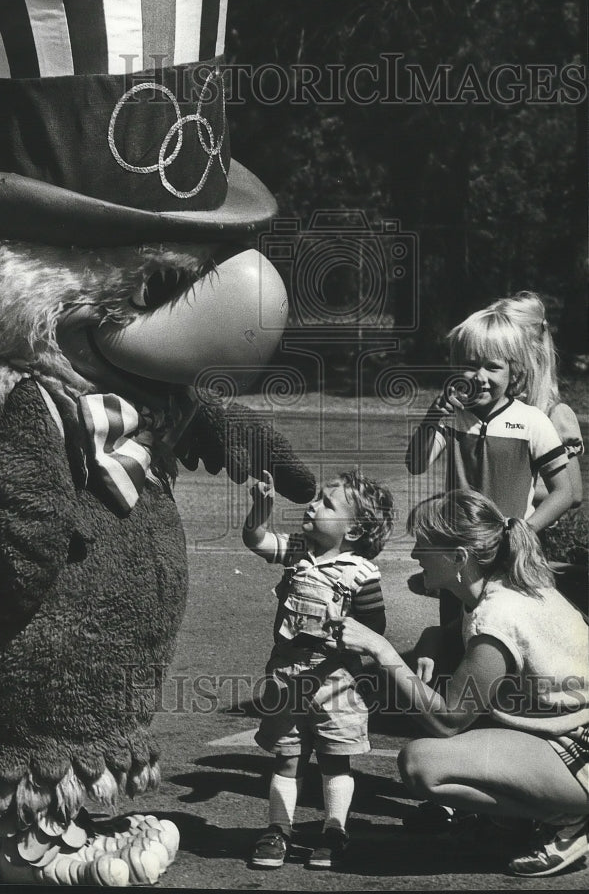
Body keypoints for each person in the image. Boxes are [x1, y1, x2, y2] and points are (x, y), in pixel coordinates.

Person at [338, 489, 589, 879]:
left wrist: (382, 652)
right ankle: (519, 818)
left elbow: (448, 720)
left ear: (458, 557)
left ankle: (567, 817)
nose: (414, 555)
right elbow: (470, 630)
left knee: (422, 763)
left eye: (423, 545)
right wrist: (433, 637)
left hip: (579, 755)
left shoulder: (497, 619)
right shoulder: (505, 583)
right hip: (568, 736)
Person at [242, 468, 393, 871]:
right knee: (286, 756)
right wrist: (260, 510)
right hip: (287, 675)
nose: (313, 504)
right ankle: (279, 829)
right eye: (318, 498)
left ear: (355, 530)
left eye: (327, 503)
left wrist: (342, 621)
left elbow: (375, 628)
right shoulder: (296, 551)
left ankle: (334, 830)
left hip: (336, 681)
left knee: (333, 758)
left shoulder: (362, 573)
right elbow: (255, 540)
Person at [405, 302, 574, 635]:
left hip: (510, 555)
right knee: (457, 629)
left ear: (515, 373)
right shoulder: (452, 419)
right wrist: (433, 417)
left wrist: (523, 530)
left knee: (508, 628)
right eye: (469, 365)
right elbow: (415, 464)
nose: (480, 376)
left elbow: (565, 491)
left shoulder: (532, 422)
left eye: (492, 366)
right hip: (458, 554)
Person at [489, 291, 586, 612]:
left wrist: (518, 491)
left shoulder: (555, 414)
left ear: (527, 355)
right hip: (486, 538)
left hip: (527, 545)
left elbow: (571, 494)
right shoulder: (499, 410)